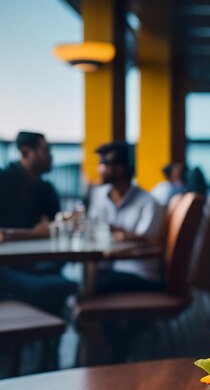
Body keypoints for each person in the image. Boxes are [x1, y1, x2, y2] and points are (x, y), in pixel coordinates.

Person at [0, 131, 76, 318]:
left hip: (41, 266)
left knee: (68, 287)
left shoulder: (46, 189)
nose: (51, 156)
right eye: (46, 150)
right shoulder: (3, 181)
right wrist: (36, 233)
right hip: (6, 269)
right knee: (66, 287)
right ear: (25, 152)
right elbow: (46, 230)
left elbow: (55, 228)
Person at [87, 141, 165, 294]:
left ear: (120, 168)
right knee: (84, 281)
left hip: (140, 275)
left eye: (103, 164)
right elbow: (90, 229)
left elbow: (146, 241)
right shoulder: (99, 196)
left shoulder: (149, 203)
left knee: (89, 285)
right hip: (110, 268)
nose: (98, 169)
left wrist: (114, 232)